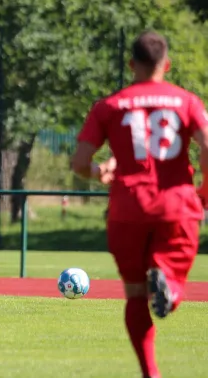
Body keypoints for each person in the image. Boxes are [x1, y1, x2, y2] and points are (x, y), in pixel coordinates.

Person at [72, 30, 208, 378]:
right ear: (167, 64)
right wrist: (203, 194)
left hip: (127, 208)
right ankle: (171, 288)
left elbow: (80, 163)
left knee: (135, 295)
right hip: (175, 204)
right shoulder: (188, 101)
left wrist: (99, 172)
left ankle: (151, 373)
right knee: (172, 278)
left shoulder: (109, 106)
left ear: (131, 64)